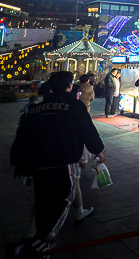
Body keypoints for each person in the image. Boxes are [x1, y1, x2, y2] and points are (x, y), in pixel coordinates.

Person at [10, 71, 106, 255]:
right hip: (63, 162)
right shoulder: (74, 106)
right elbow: (87, 131)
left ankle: (35, 239)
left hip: (39, 164)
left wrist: (17, 161)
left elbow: (22, 135)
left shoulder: (37, 108)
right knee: (63, 202)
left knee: (43, 201)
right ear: (69, 86)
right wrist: (98, 151)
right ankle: (38, 244)